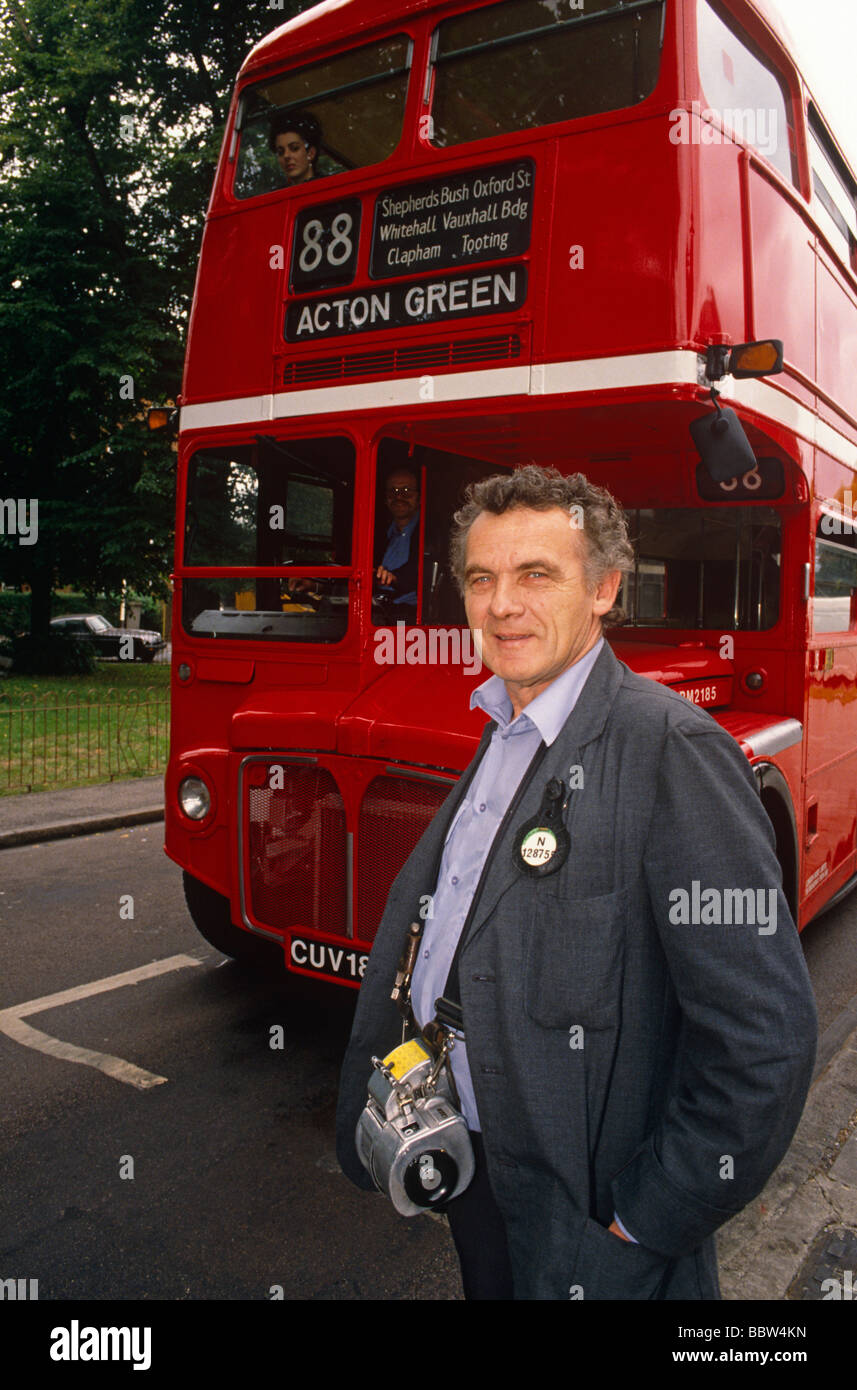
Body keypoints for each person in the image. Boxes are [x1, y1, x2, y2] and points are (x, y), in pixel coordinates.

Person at [336, 464, 818, 1300]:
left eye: (535, 575)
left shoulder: (671, 750)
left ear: (602, 590)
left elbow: (762, 1036)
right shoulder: (503, 725)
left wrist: (647, 1218)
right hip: (479, 1170)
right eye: (480, 579)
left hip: (591, 1220)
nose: (500, 605)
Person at [374, 468, 420, 617]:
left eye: (406, 491)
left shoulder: (430, 532)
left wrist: (394, 578)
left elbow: (422, 570)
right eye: (392, 491)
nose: (399, 496)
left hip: (411, 615)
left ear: (418, 497)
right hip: (378, 608)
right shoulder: (378, 533)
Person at [268, 111, 322, 185]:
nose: (286, 156)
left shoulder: (330, 184)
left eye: (294, 148)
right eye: (280, 152)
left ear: (311, 153)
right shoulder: (277, 192)